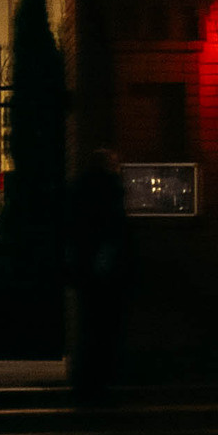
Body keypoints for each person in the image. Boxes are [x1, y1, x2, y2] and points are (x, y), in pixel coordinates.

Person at [68, 146, 128, 398]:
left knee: (89, 323)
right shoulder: (112, 190)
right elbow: (117, 230)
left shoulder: (78, 190)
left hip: (85, 266)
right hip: (107, 268)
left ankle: (86, 377)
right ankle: (102, 377)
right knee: (106, 326)